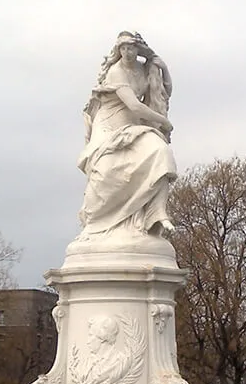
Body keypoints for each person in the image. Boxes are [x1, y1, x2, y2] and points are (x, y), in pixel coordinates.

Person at [76, 31, 177, 241]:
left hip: (133, 126)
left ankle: (156, 213)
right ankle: (96, 223)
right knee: (106, 169)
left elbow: (164, 91)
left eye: (131, 48)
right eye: (123, 48)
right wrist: (163, 122)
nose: (127, 52)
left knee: (161, 151)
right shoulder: (116, 72)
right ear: (118, 50)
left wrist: (163, 68)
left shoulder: (143, 69)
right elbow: (134, 105)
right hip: (109, 126)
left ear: (138, 50)